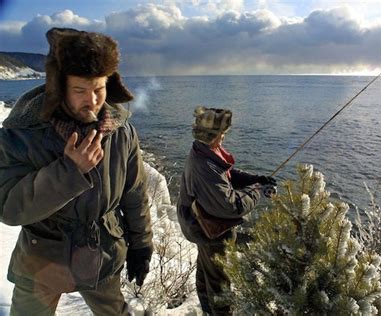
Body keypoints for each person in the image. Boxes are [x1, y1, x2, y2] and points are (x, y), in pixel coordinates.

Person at [0, 27, 153, 315]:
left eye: (99, 88)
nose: (93, 101)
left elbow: (135, 193)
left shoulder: (121, 132)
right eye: (80, 90)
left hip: (102, 255)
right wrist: (69, 171)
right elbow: (8, 207)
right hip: (41, 258)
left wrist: (142, 245)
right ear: (58, 88)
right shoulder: (22, 134)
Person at [177, 106, 277, 315]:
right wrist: (258, 190)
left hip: (201, 227)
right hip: (212, 232)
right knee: (220, 285)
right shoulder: (204, 165)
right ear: (211, 134)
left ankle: (207, 311)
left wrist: (255, 179)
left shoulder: (202, 149)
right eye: (221, 133)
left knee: (207, 274)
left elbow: (226, 175)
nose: (224, 137)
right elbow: (233, 206)